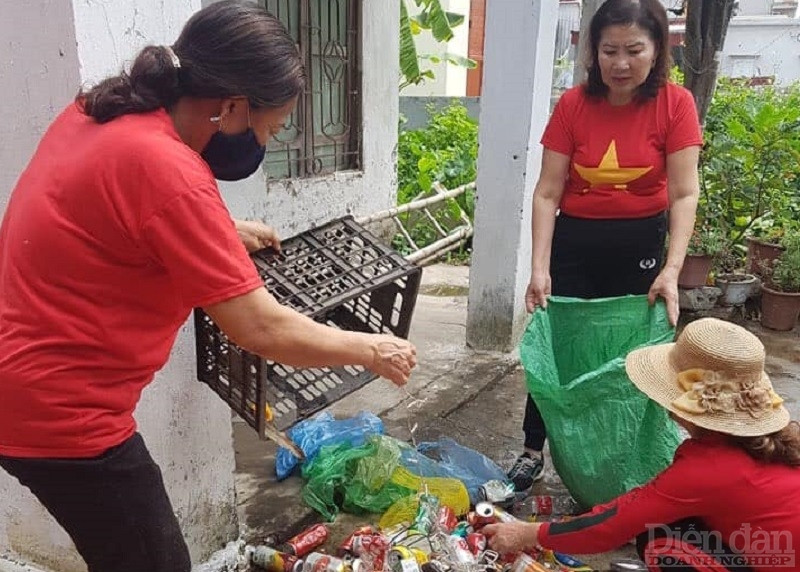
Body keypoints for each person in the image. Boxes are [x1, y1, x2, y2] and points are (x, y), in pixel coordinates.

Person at [0, 2, 416, 572]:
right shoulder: (170, 173)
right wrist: (371, 347)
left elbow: (117, 216)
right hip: (64, 414)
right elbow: (259, 327)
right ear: (232, 106)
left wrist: (222, 230)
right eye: (270, 128)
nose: (264, 144)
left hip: (21, 383)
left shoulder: (99, 115)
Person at [507, 0, 702, 491]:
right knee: (557, 344)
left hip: (640, 241)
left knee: (636, 354)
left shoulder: (675, 105)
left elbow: (683, 192)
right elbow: (548, 191)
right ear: (593, 51)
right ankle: (533, 450)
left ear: (658, 50)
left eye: (634, 50)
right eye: (609, 50)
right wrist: (539, 268)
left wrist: (671, 270)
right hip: (575, 242)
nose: (620, 63)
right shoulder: (574, 105)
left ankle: (627, 454)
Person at [485, 318, 800, 572]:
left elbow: (614, 525)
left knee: (662, 540)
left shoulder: (709, 468)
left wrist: (529, 534)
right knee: (668, 523)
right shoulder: (765, 442)